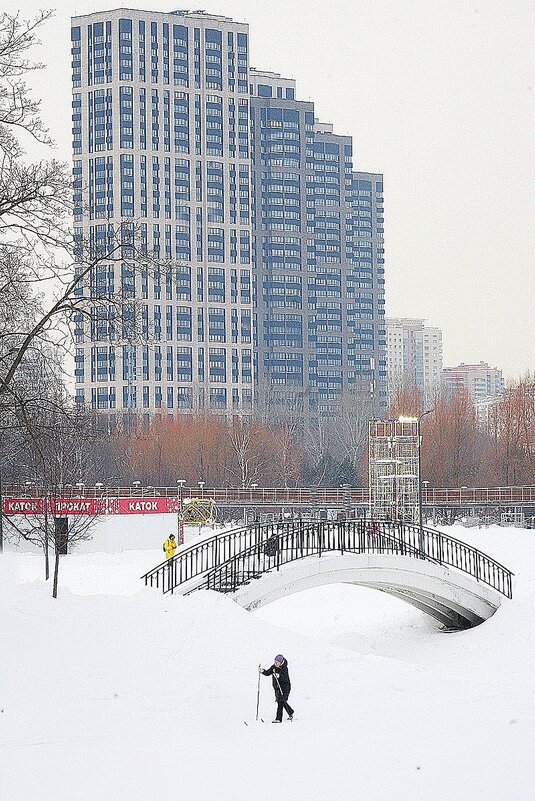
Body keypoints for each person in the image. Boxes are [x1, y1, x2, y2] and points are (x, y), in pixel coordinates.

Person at [260, 654, 294, 723]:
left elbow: (285, 678)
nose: (276, 663)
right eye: (275, 662)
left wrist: (279, 676)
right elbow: (268, 672)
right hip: (278, 688)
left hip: (285, 687)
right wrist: (262, 671)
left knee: (280, 702)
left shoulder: (284, 668)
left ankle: (278, 718)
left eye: (277, 662)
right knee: (282, 701)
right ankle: (290, 712)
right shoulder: (273, 667)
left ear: (281, 662)